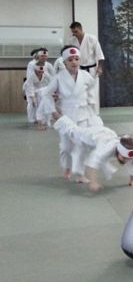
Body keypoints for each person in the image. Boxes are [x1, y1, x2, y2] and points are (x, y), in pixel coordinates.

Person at [38, 46, 99, 182]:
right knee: (66, 147)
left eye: (76, 59)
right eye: (70, 60)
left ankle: (80, 174)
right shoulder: (58, 77)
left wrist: (92, 107)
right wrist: (53, 111)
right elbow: (46, 94)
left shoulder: (86, 76)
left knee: (81, 145)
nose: (74, 62)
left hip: (83, 115)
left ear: (80, 60)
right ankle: (67, 167)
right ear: (64, 62)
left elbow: (91, 91)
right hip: (65, 116)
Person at [51, 111, 133, 193]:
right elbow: (92, 163)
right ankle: (54, 112)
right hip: (87, 136)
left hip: (103, 134)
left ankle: (79, 175)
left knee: (87, 155)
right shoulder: (106, 148)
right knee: (71, 129)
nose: (126, 160)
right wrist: (93, 182)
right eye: (124, 158)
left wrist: (132, 180)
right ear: (118, 151)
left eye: (128, 158)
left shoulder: (129, 151)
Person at [68, 22, 105, 113]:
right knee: (79, 91)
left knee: (92, 92)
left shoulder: (92, 38)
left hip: (91, 70)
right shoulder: (72, 41)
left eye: (76, 31)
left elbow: (99, 55)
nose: (74, 34)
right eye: (73, 32)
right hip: (78, 70)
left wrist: (99, 67)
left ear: (81, 29)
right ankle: (82, 112)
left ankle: (94, 113)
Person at [23, 53, 55, 128]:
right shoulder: (31, 76)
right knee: (32, 103)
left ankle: (42, 119)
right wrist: (33, 98)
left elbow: (52, 81)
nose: (41, 73)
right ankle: (32, 119)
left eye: (42, 71)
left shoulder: (45, 73)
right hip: (29, 89)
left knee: (42, 101)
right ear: (35, 70)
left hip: (39, 89)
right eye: (39, 71)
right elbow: (30, 87)